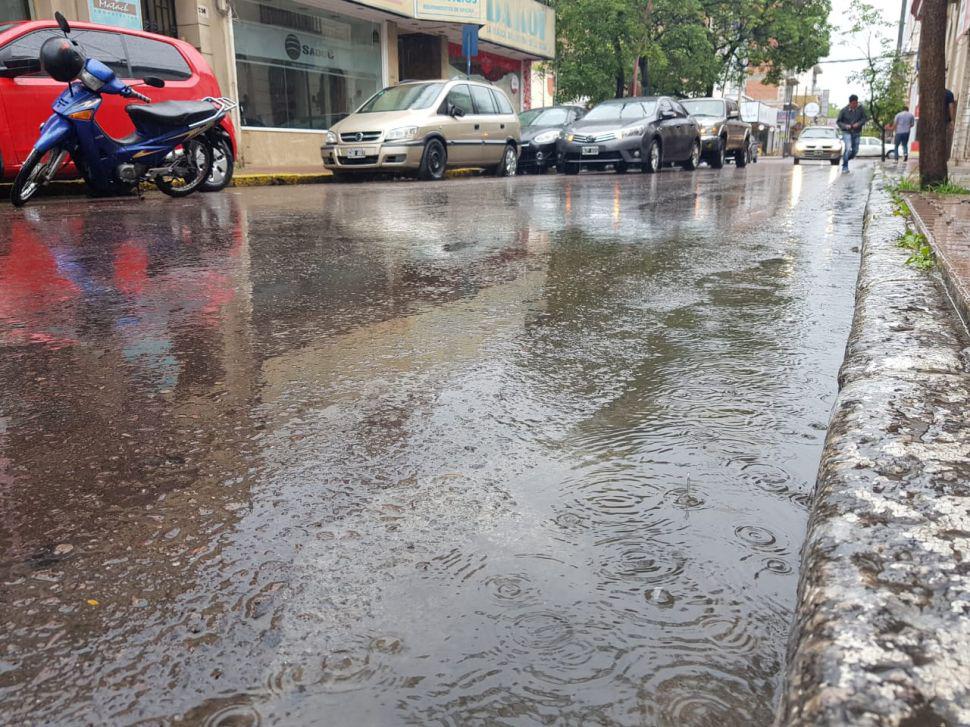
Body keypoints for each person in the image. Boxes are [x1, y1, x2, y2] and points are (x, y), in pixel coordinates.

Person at [837, 94, 868, 173]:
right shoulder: (843, 110)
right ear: (850, 103)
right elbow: (838, 121)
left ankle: (845, 159)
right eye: (854, 103)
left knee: (855, 151)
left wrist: (858, 124)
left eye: (856, 103)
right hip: (846, 132)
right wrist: (845, 126)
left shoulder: (860, 110)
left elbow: (864, 119)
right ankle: (845, 167)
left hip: (856, 132)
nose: (855, 105)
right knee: (848, 148)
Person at [945, 88, 957, 160]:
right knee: (944, 139)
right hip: (945, 120)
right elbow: (951, 107)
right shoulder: (949, 93)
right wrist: (952, 120)